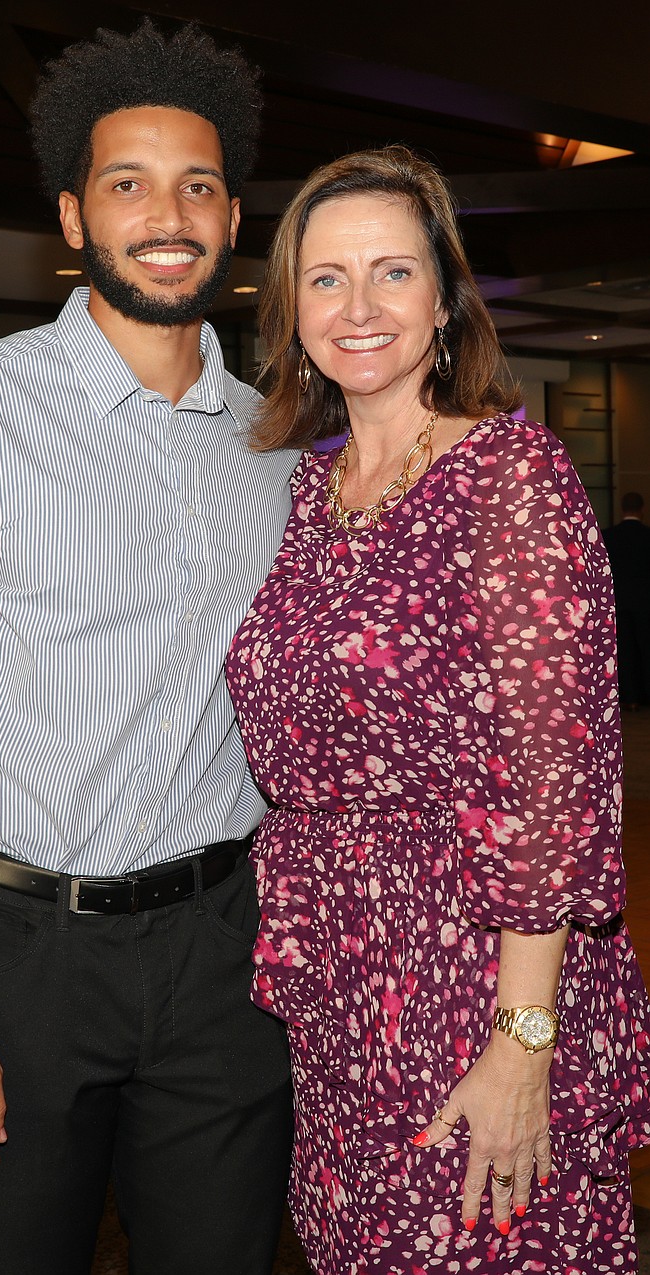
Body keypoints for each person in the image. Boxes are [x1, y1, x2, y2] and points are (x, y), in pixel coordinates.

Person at [0, 21, 296, 1275]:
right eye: (128, 184)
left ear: (231, 217)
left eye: (197, 185)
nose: (167, 215)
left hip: (229, 955)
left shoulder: (277, 446)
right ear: (75, 217)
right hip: (20, 958)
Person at [225, 145, 650, 1274]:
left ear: (447, 300)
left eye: (393, 272)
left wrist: (522, 1044)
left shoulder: (512, 478)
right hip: (339, 978)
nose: (358, 306)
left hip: (474, 976)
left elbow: (553, 789)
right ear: (292, 310)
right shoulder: (308, 492)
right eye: (326, 278)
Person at [603, 491, 650, 710]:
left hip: (618, 601)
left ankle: (629, 697)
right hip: (645, 602)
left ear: (622, 509)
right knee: (646, 649)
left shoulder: (608, 537)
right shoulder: (647, 536)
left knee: (624, 650)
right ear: (642, 510)